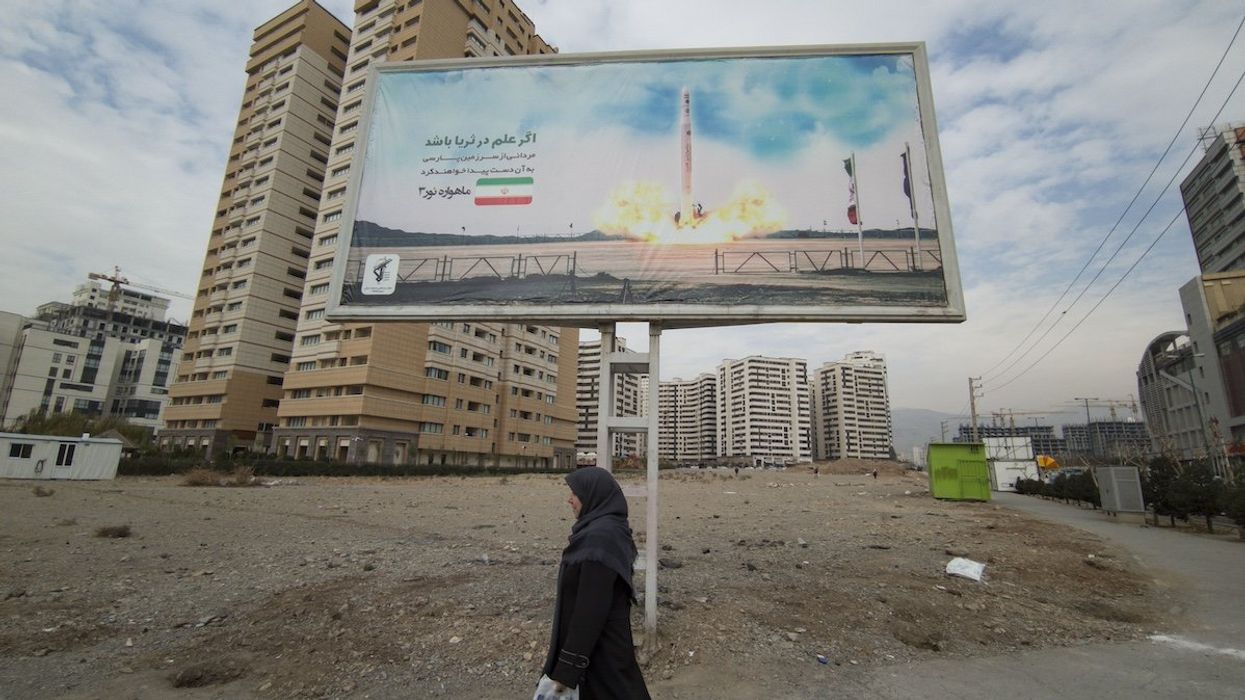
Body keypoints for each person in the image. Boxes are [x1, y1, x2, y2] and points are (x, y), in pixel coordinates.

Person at [542, 467, 650, 699]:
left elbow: (589, 612)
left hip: (601, 656)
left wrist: (567, 670)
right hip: (602, 653)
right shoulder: (604, 529)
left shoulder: (599, 540)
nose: (569, 499)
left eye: (575, 494)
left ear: (592, 495)